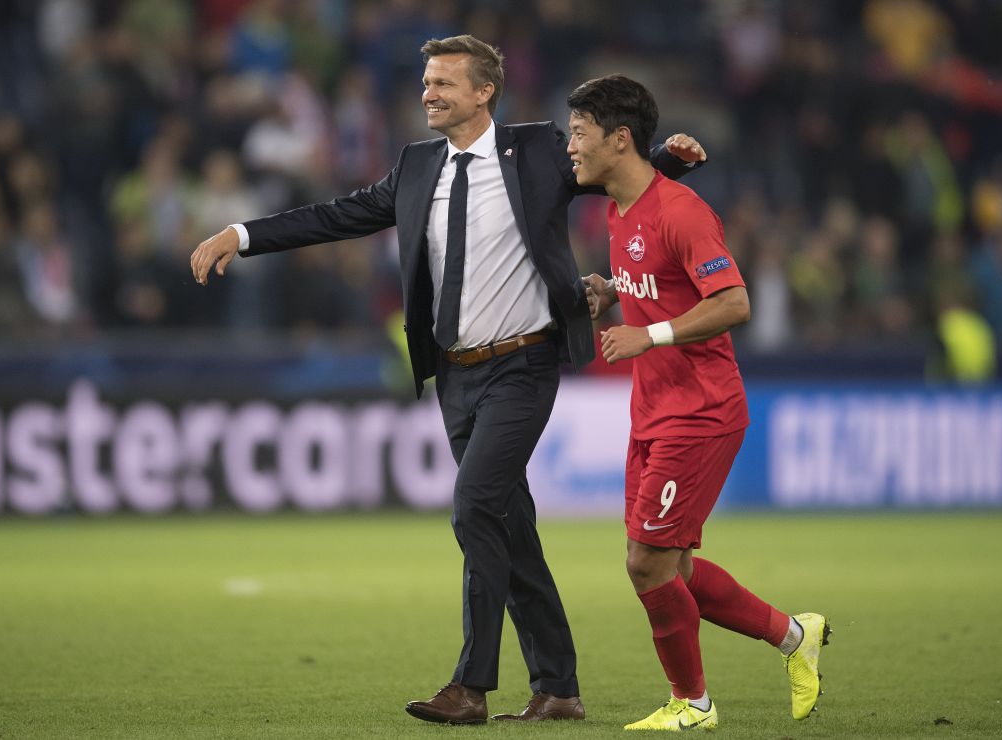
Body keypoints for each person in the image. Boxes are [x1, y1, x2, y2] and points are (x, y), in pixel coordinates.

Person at [190, 35, 706, 725]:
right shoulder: (415, 167)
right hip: (455, 377)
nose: (428, 93)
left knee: (472, 507)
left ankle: (470, 687)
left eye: (443, 83)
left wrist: (671, 157)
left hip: (524, 366)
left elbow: (615, 168)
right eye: (426, 82)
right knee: (509, 527)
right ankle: (558, 688)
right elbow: (335, 216)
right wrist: (242, 233)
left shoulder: (538, 152)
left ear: (484, 91)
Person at [568, 74, 829, 731]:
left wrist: (646, 331)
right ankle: (796, 637)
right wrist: (612, 292)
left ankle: (695, 703)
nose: (570, 146)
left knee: (645, 561)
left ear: (619, 139)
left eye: (579, 133)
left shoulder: (681, 211)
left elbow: (733, 302)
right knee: (672, 564)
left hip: (701, 409)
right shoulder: (617, 209)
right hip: (653, 407)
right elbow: (660, 286)